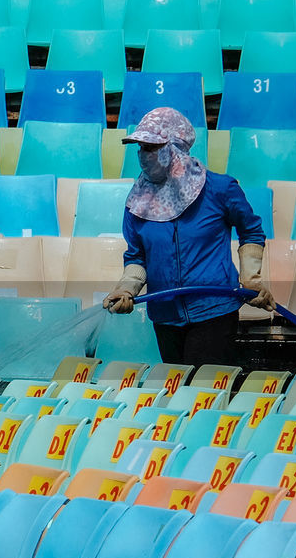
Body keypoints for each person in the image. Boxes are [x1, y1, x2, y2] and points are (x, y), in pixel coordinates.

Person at [103, 106, 274, 366]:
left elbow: (251, 231)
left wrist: (251, 277)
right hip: (165, 316)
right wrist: (126, 289)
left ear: (174, 149)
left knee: (202, 393)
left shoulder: (219, 188)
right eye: (139, 148)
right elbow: (137, 256)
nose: (142, 156)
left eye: (150, 148)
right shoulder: (137, 202)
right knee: (178, 393)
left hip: (213, 310)